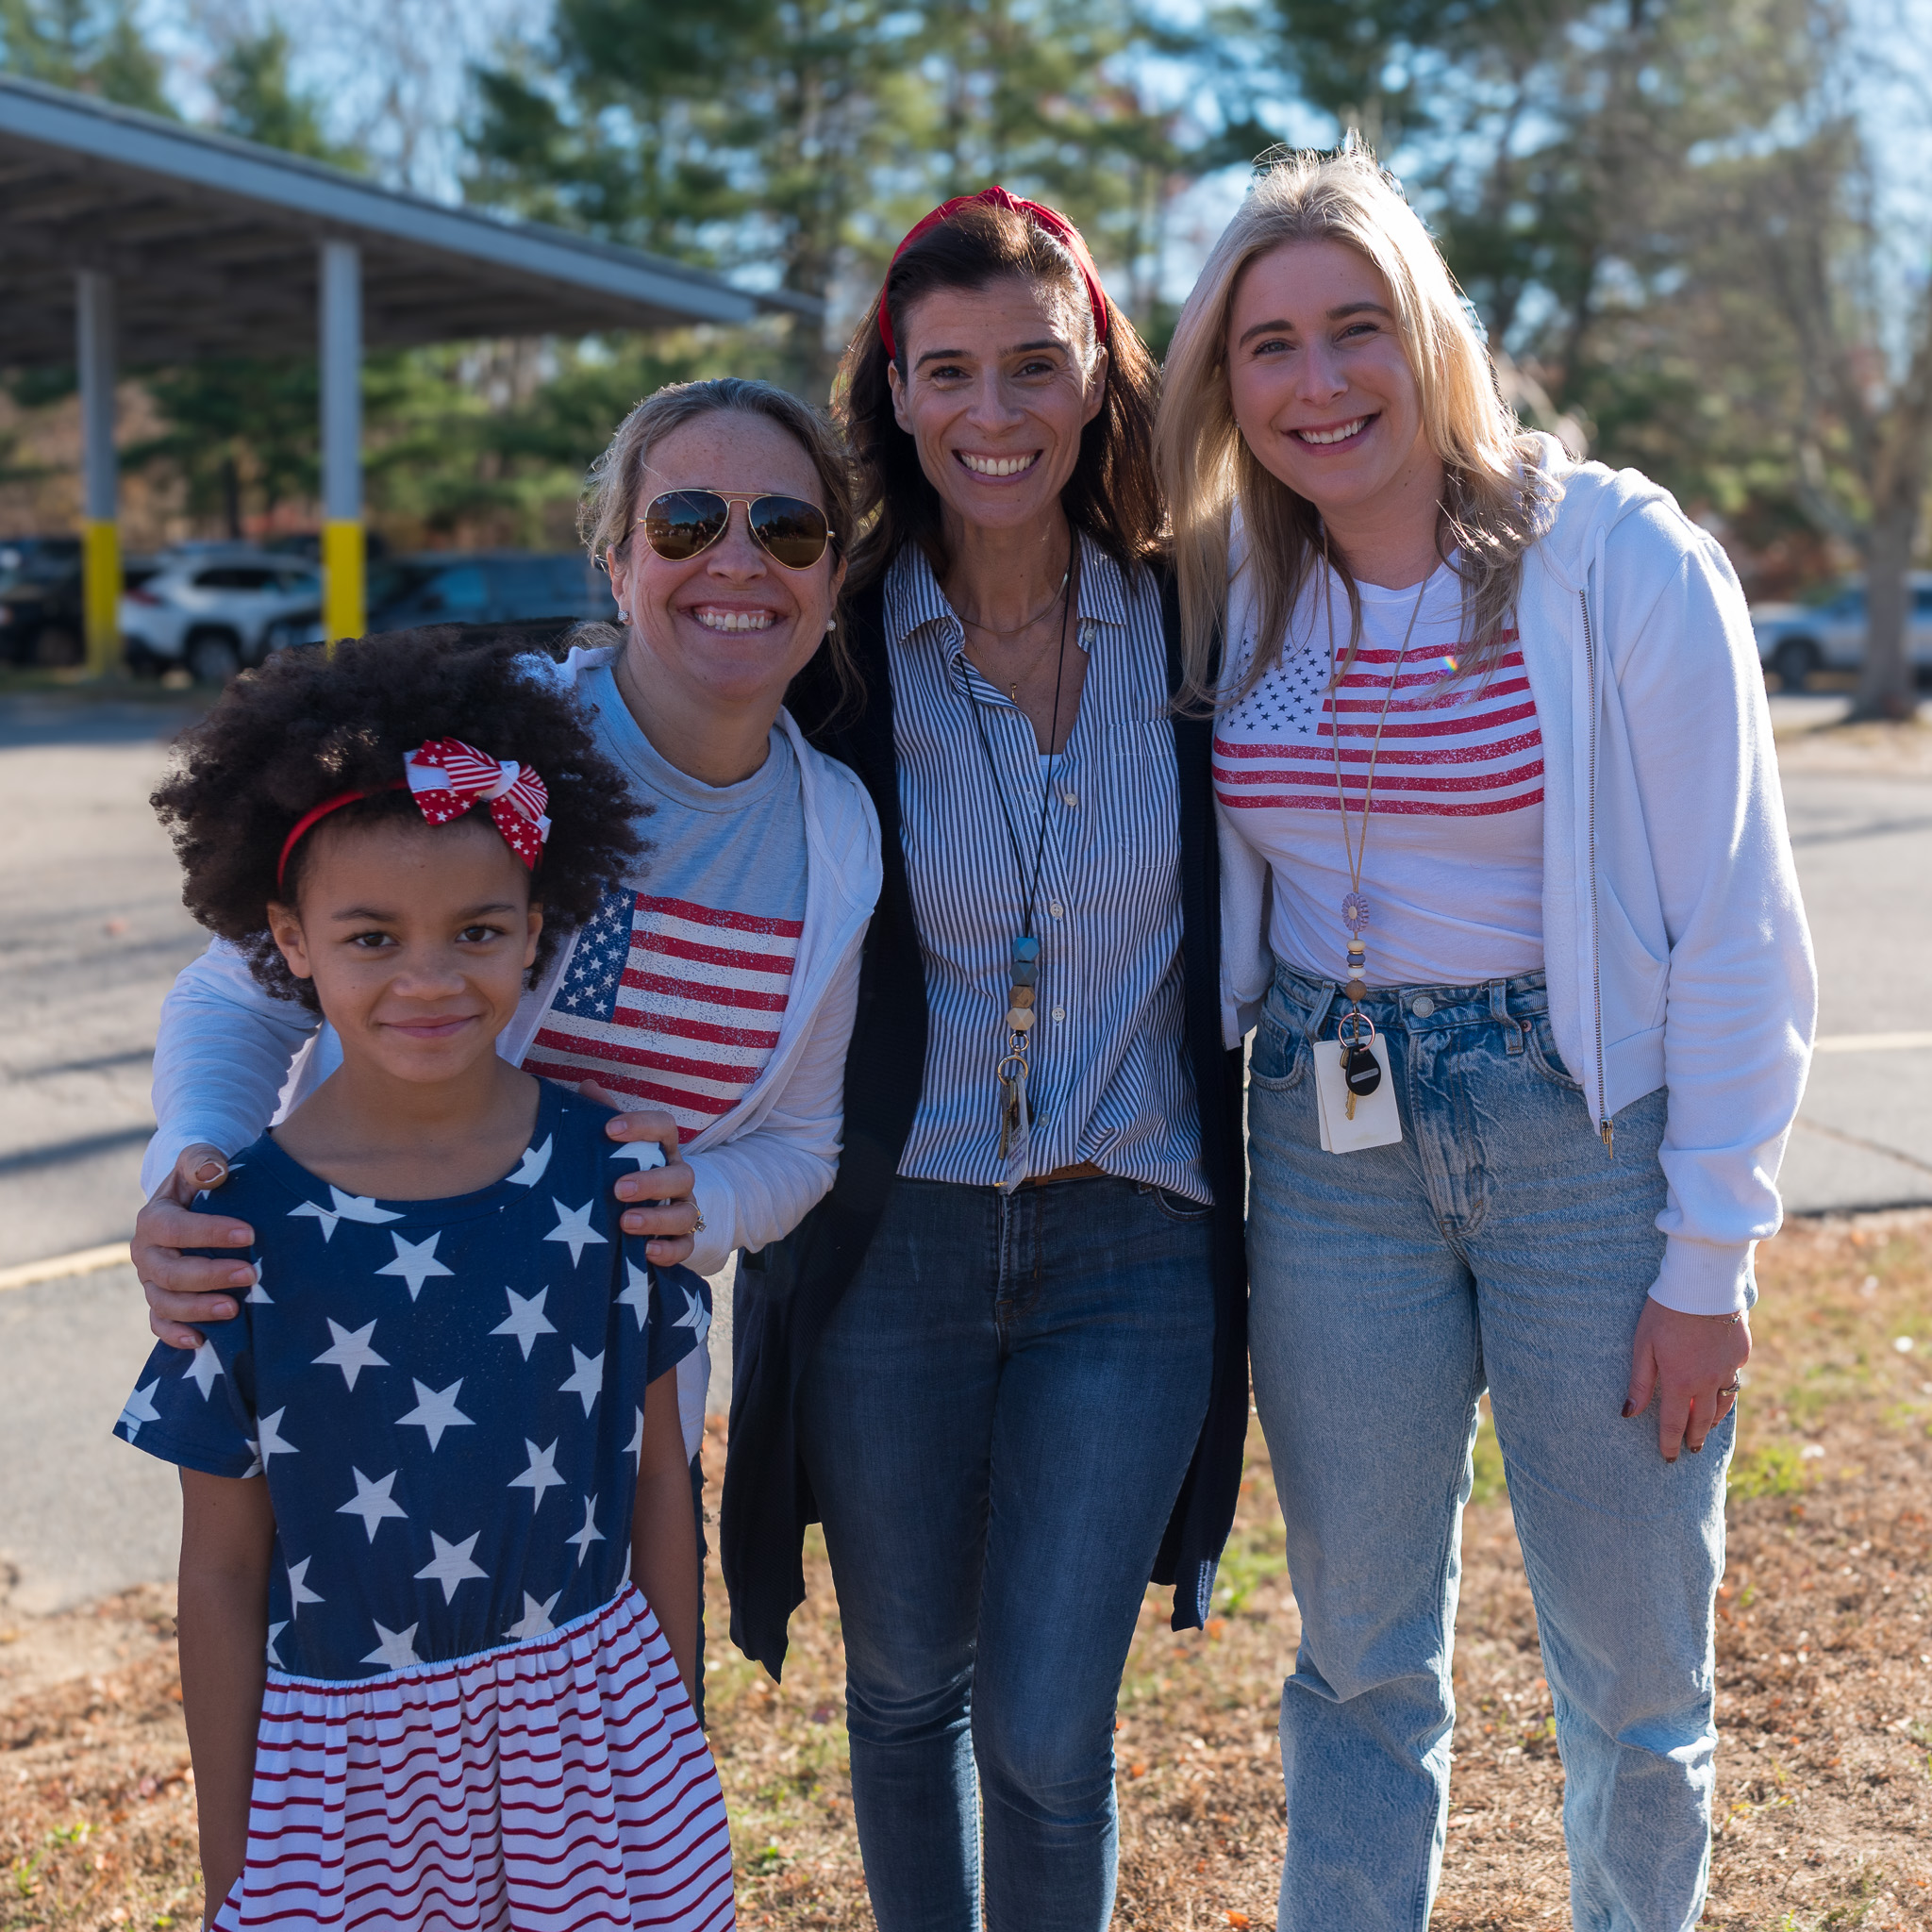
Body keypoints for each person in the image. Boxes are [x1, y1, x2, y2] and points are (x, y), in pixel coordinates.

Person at [1155, 143, 1816, 1932]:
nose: (1319, 383)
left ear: (1429, 334)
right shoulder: (1231, 586)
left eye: (1356, 328)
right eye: (1269, 346)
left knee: (1634, 1679)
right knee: (1358, 1656)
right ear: (1227, 385)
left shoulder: (1613, 559)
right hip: (1325, 1138)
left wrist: (1711, 1254)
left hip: (1581, 1143)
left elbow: (1738, 921)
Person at [126, 381, 883, 1701]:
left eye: (790, 529)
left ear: (833, 575)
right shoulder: (482, 746)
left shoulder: (841, 838)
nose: (738, 559)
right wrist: (194, 1170)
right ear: (615, 555)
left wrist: (683, 1201)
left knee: (605, 1794)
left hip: (608, 1411)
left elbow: (800, 1141)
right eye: (688, 518)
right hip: (359, 1362)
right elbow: (236, 994)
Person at [722, 188, 1249, 1932]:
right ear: (898, 389)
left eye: (1035, 365)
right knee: (904, 1691)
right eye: (949, 372)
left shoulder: (1202, 630)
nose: (994, 413)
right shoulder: (830, 648)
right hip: (892, 1244)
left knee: (1043, 1727)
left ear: (1101, 375)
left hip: (1137, 1241)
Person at [113, 630, 734, 1929]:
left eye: (477, 930)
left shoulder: (612, 1175)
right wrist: (238, 1877)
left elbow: (660, 1482)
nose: (430, 977)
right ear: (288, 939)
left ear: (536, 931)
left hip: (601, 1760)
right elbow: (222, 1576)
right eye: (372, 936)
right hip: (344, 1795)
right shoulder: (235, 1234)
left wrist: (674, 1744)